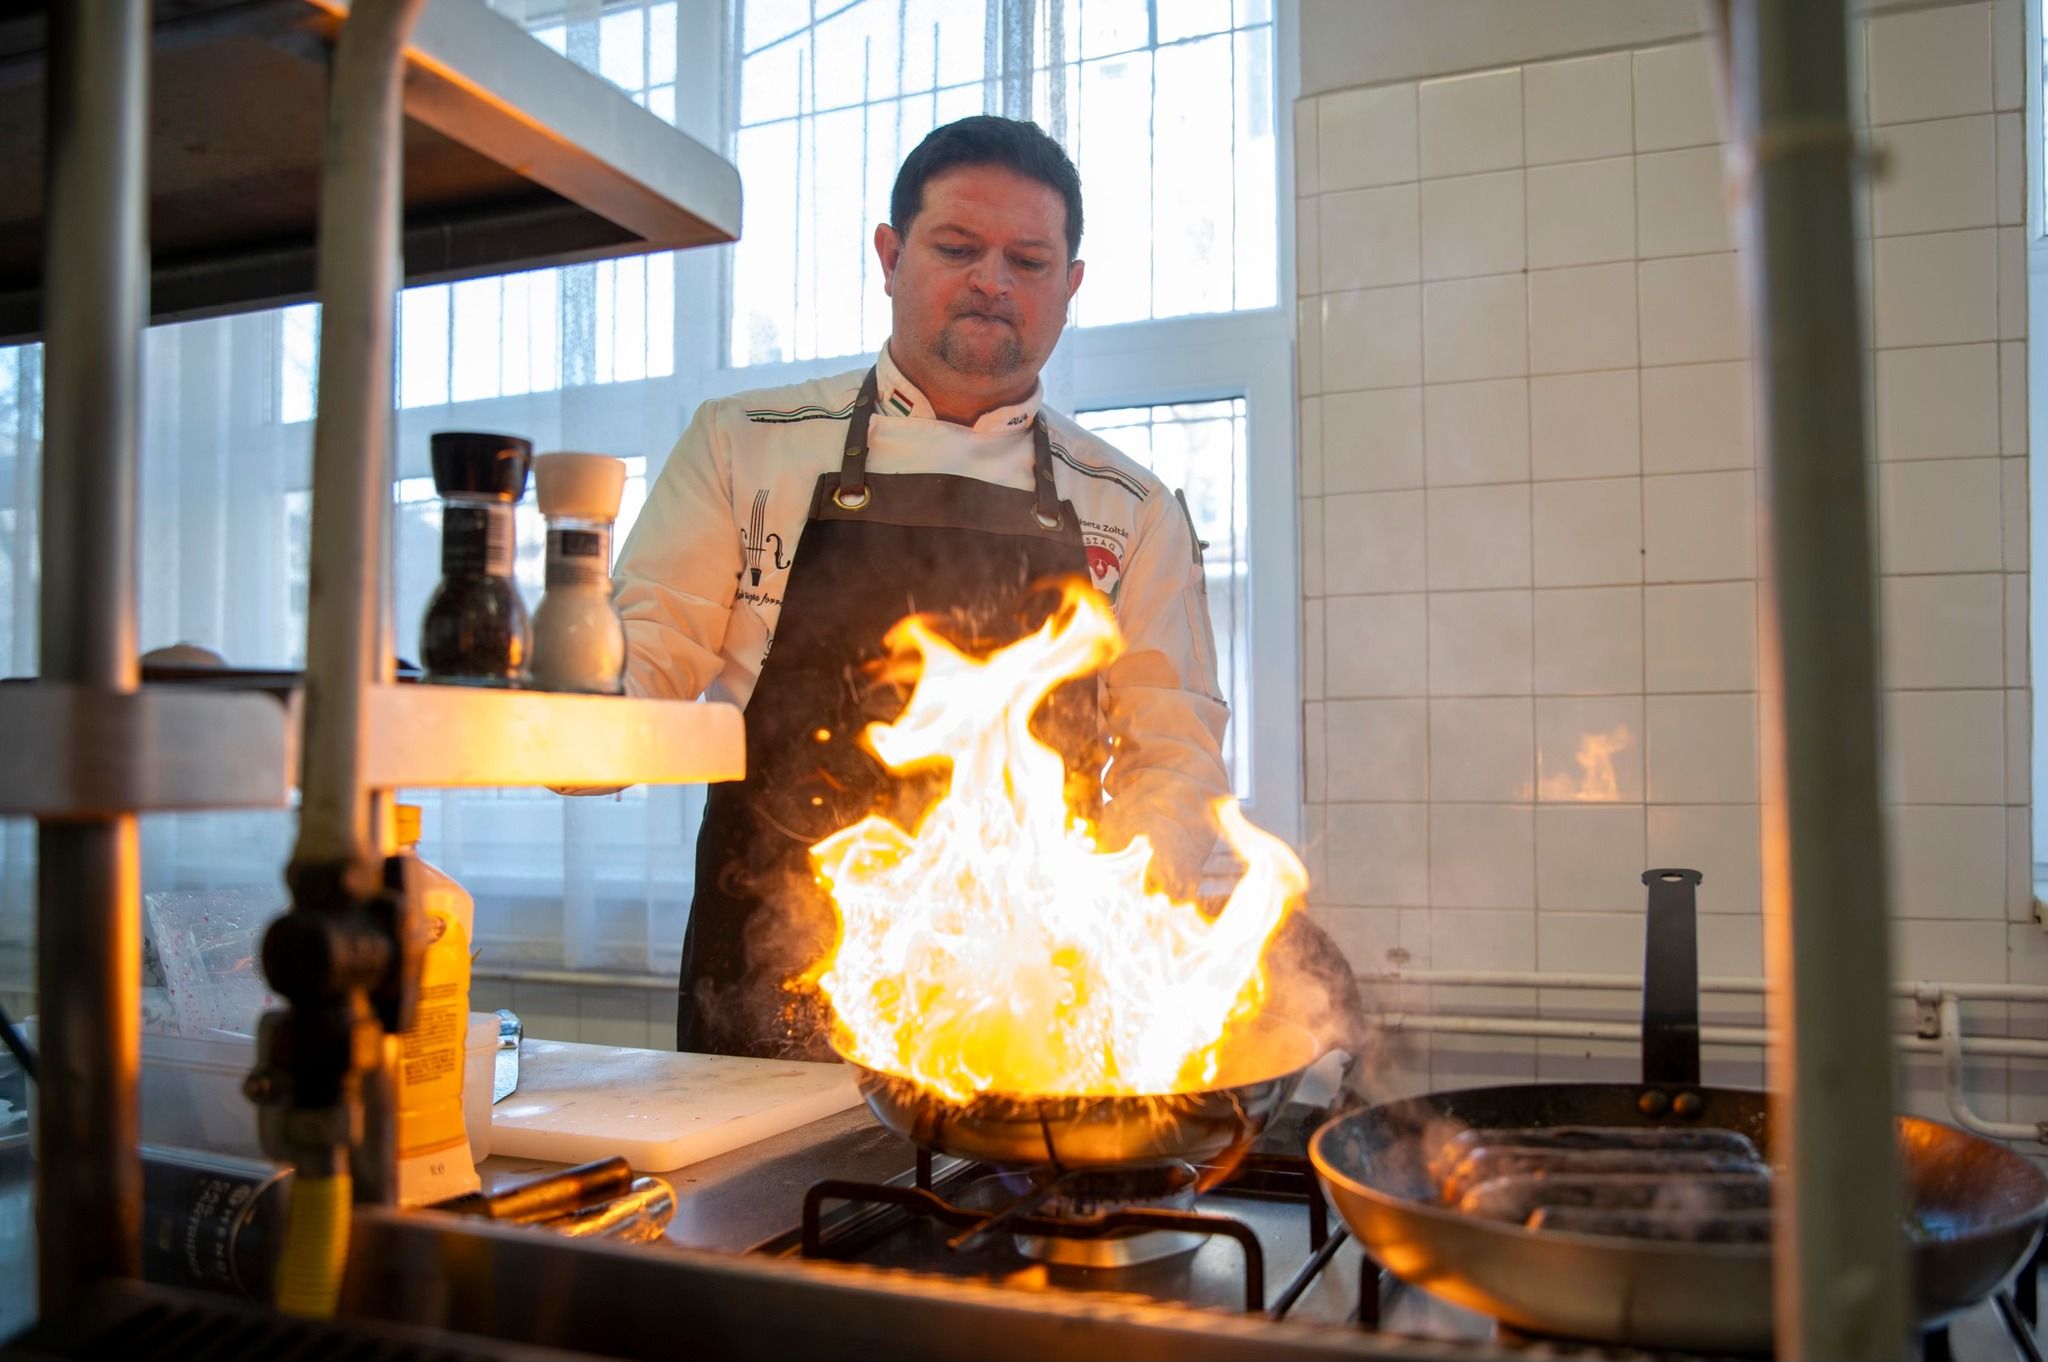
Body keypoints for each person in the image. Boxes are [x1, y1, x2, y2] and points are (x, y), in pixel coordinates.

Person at [609, 115, 1234, 1059]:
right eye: (958, 247)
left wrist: (1106, 933)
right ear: (891, 257)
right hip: (765, 992)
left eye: (1028, 260)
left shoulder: (1130, 509)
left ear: (1069, 289)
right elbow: (642, 667)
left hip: (1018, 1014)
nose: (993, 281)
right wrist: (558, 722)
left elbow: (1171, 760)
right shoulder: (745, 447)